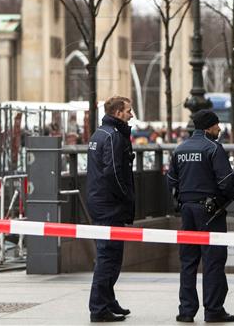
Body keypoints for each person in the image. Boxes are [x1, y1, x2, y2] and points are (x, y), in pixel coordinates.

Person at [167, 110, 234, 323]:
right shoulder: (213, 148)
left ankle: (186, 311)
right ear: (208, 127)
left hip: (187, 210)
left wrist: (183, 200)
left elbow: (171, 180)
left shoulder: (180, 149)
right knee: (213, 260)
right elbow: (226, 181)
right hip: (210, 212)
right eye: (217, 125)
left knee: (188, 261)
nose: (219, 129)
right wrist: (230, 196)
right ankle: (213, 309)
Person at [87, 96, 136, 322]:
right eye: (128, 111)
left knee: (109, 255)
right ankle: (99, 307)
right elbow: (114, 172)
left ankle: (108, 300)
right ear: (117, 113)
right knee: (109, 256)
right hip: (110, 205)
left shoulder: (99, 134)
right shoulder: (114, 137)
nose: (131, 115)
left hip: (99, 201)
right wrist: (126, 197)